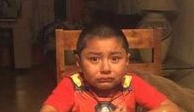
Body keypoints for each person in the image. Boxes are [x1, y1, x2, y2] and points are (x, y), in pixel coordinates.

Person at [40, 24, 180, 112]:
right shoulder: (71, 85)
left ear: (127, 60)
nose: (105, 68)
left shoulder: (132, 84)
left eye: (115, 59)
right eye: (94, 59)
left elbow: (171, 108)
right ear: (79, 62)